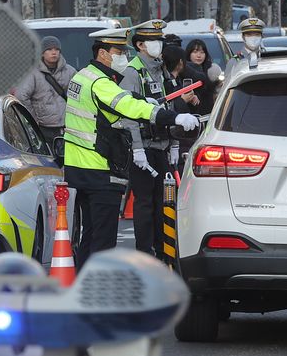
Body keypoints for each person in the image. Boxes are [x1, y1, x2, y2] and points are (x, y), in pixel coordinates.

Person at [63, 28, 201, 268]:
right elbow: (126, 106)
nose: (123, 57)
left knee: (91, 233)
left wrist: (141, 99)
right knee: (104, 239)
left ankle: (82, 281)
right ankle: (97, 290)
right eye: (118, 52)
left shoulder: (82, 76)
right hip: (100, 168)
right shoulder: (100, 82)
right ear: (103, 54)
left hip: (79, 167)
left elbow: (113, 105)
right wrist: (173, 118)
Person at [120, 20, 171, 261]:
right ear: (140, 45)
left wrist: (174, 142)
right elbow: (127, 112)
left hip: (162, 144)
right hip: (144, 147)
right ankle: (144, 252)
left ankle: (163, 251)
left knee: (162, 202)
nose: (158, 44)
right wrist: (137, 149)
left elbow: (167, 105)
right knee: (144, 204)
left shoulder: (161, 68)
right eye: (153, 40)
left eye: (160, 39)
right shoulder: (133, 71)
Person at [12, 35, 75, 151]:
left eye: (56, 49)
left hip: (68, 126)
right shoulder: (33, 73)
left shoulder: (70, 71)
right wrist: (33, 119)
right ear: (42, 53)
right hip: (43, 128)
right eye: (49, 49)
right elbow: (21, 96)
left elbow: (77, 96)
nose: (54, 52)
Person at [186, 39, 222, 114]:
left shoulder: (212, 70)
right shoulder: (183, 70)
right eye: (195, 52)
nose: (199, 56)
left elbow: (219, 93)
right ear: (189, 53)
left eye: (202, 52)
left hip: (209, 112)